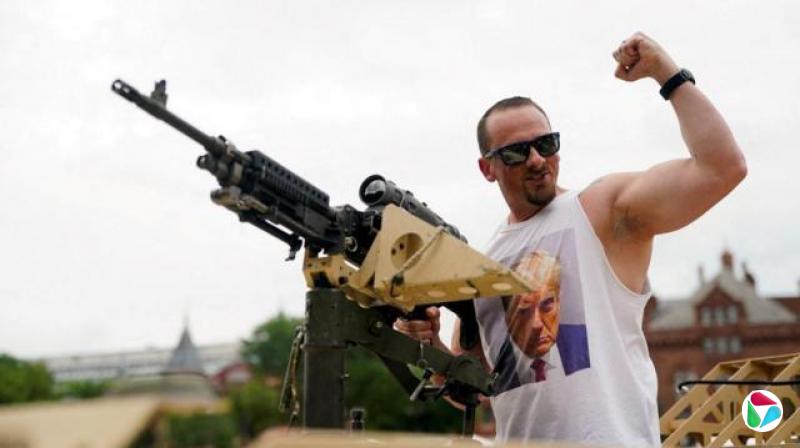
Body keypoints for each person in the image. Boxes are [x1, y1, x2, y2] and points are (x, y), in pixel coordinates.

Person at [395, 32, 746, 446]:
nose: (537, 160)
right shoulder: (483, 266)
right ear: (487, 169)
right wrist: (429, 344)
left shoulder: (602, 210)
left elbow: (722, 168)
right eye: (516, 152)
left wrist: (666, 74)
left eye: (546, 143)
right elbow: (475, 390)